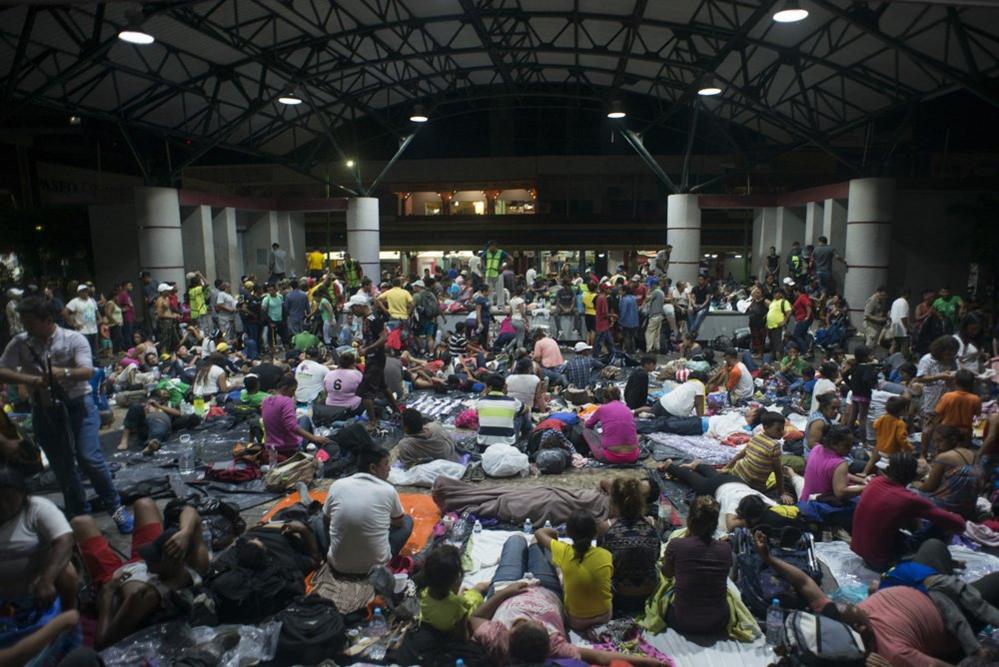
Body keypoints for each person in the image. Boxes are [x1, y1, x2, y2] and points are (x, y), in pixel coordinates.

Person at [0, 297, 131, 532]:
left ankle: (116, 508)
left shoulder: (73, 339)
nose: (25, 327)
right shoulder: (20, 343)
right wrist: (31, 380)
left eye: (29, 322)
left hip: (78, 406)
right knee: (62, 467)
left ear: (48, 320)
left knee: (89, 457)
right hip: (44, 409)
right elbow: (3, 370)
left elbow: (87, 370)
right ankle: (79, 517)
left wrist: (62, 373)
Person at [71, 497, 208, 649]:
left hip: (111, 578)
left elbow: (103, 642)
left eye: (152, 557)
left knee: (80, 523)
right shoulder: (194, 567)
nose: (146, 556)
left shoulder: (144, 596)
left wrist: (106, 597)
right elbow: (191, 511)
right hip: (142, 566)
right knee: (144, 504)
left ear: (170, 563)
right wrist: (185, 532)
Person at [851, 453, 966, 571]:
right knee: (942, 524)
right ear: (913, 476)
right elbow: (959, 524)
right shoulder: (908, 499)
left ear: (888, 469)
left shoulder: (875, 482)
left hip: (862, 553)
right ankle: (937, 560)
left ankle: (917, 554)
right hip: (883, 561)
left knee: (908, 515)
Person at [323, 447, 413, 575]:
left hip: (338, 565)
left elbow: (326, 520)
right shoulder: (388, 490)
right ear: (372, 468)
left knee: (321, 522)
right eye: (386, 464)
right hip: (376, 567)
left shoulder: (337, 485)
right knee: (408, 521)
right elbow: (399, 523)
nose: (389, 468)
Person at [0, 466, 76, 612]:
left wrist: (47, 580)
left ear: (22, 494)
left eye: (9, 499)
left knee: (67, 573)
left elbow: (65, 540)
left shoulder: (37, 507)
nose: (3, 506)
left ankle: (69, 617)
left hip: (37, 580)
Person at [662, 496, 732, 639]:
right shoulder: (725, 548)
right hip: (718, 623)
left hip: (682, 621)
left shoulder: (677, 544)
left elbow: (667, 574)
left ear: (690, 520)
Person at [533, 510, 612, 632]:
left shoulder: (563, 551)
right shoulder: (606, 555)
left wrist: (555, 533)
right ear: (595, 533)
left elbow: (539, 533)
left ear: (569, 533)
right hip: (604, 617)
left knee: (556, 562)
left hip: (576, 621)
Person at [596, 477, 658, 613]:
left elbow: (600, 561)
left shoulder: (605, 527)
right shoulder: (652, 523)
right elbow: (656, 556)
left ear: (613, 501)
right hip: (648, 595)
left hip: (618, 597)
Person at [350, 293, 399, 430]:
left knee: (365, 392)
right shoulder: (367, 320)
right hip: (374, 357)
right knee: (382, 385)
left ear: (360, 306)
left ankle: (373, 422)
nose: (352, 312)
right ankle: (396, 409)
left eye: (353, 308)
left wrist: (367, 349)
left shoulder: (373, 319)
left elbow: (383, 338)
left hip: (375, 358)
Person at [418, 544, 487, 640]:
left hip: (443, 618)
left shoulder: (423, 594)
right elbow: (464, 637)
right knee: (480, 587)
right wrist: (460, 598)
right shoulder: (458, 605)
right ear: (454, 581)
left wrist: (458, 594)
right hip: (466, 612)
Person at [913, 425, 982, 519]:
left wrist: (913, 482)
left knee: (909, 489)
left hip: (947, 508)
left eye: (939, 441)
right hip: (967, 510)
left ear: (953, 440)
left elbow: (929, 487)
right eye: (934, 442)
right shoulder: (973, 455)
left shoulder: (944, 457)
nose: (936, 445)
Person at [726, 410, 791, 501]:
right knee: (785, 478)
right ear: (765, 427)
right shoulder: (775, 445)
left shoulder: (756, 436)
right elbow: (778, 472)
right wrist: (782, 493)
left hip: (737, 473)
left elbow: (740, 455)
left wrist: (726, 468)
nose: (782, 432)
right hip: (753, 485)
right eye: (778, 429)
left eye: (782, 429)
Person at [261, 374, 331, 453]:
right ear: (285, 388)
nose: (293, 394)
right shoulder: (286, 401)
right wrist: (314, 438)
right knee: (305, 419)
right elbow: (291, 426)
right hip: (288, 447)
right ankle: (313, 445)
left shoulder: (265, 401)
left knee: (303, 419)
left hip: (271, 445)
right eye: (293, 391)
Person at [799, 424, 865, 503]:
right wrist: (867, 487)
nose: (850, 448)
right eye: (847, 445)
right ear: (834, 444)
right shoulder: (840, 464)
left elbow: (836, 474)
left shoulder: (816, 448)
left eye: (851, 444)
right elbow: (840, 493)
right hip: (821, 508)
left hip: (805, 501)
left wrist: (862, 480)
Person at [917, 335, 959, 458]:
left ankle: (938, 453)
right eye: (948, 351)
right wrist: (940, 376)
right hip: (932, 398)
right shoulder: (927, 359)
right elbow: (921, 378)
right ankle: (923, 454)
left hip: (947, 397)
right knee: (928, 426)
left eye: (953, 352)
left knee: (943, 428)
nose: (950, 354)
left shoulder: (952, 361)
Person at [583, 386, 639, 464]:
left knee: (586, 431)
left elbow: (588, 424)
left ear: (605, 399)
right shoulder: (627, 409)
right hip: (633, 456)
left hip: (611, 457)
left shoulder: (602, 409)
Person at [862, 395, 912, 475]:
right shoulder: (900, 423)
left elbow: (875, 425)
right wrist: (909, 448)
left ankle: (864, 472)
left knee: (872, 459)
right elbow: (901, 439)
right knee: (894, 467)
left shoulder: (883, 418)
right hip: (892, 451)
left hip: (880, 447)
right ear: (902, 410)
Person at [475, 373, 523, 446]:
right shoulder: (514, 401)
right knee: (521, 415)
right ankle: (526, 440)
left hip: (484, 444)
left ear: (489, 387)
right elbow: (526, 409)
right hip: (507, 444)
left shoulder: (479, 402)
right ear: (504, 387)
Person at [841, 344, 877, 436]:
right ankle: (864, 442)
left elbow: (844, 375)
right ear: (865, 357)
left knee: (853, 416)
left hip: (855, 394)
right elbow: (866, 379)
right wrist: (872, 384)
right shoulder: (868, 368)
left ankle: (848, 435)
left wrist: (851, 385)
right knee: (862, 419)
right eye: (870, 355)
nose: (873, 356)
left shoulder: (855, 366)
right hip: (864, 396)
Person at [934, 368, 981, 437]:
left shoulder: (947, 396)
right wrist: (978, 435)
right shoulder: (976, 399)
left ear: (955, 382)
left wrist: (937, 430)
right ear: (972, 383)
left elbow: (938, 414)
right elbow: (977, 418)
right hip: (966, 433)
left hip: (948, 432)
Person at [323, 352, 364, 416]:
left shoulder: (329, 374)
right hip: (351, 408)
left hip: (330, 406)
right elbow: (363, 391)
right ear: (353, 363)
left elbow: (326, 392)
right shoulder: (356, 374)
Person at [804, 391, 840, 460]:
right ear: (824, 407)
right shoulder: (819, 422)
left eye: (838, 408)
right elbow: (812, 444)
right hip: (815, 458)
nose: (836, 411)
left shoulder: (823, 417)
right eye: (833, 408)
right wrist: (833, 450)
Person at [765, 287, 791, 360]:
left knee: (778, 346)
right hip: (770, 326)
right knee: (772, 345)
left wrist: (784, 321)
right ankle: (774, 360)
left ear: (781, 294)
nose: (776, 294)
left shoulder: (784, 302)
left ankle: (780, 361)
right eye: (775, 293)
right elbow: (770, 312)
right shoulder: (773, 302)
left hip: (778, 327)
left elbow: (789, 312)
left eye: (778, 293)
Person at [482, 241, 509, 307]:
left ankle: (500, 305)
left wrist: (503, 267)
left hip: (498, 274)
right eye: (489, 246)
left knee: (500, 290)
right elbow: (482, 259)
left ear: (495, 246)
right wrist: (484, 267)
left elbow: (511, 259)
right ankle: (489, 305)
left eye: (491, 246)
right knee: (489, 290)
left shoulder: (501, 252)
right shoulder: (487, 252)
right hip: (488, 274)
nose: (490, 248)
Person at [593, 284, 616, 357]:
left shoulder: (600, 297)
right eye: (608, 289)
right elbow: (604, 313)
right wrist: (613, 315)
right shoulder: (603, 298)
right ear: (605, 290)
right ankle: (595, 357)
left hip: (603, 324)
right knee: (599, 343)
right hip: (602, 325)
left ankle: (613, 355)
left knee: (609, 342)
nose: (610, 290)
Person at [790, 283, 813, 353]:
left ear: (797, 291)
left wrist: (807, 316)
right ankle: (805, 350)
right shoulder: (802, 297)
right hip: (802, 318)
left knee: (796, 335)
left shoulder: (802, 297)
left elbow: (808, 306)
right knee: (802, 335)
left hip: (803, 319)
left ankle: (805, 351)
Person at [889, 287, 911, 354]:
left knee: (894, 347)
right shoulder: (904, 303)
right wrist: (908, 328)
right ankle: (902, 362)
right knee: (904, 349)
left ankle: (890, 360)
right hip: (903, 330)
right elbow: (903, 317)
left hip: (895, 328)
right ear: (907, 294)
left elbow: (891, 315)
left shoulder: (895, 302)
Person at [618, 285, 639, 354]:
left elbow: (623, 312)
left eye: (621, 290)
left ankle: (628, 352)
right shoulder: (633, 298)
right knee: (632, 337)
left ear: (624, 291)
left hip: (627, 322)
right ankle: (633, 351)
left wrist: (620, 321)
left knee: (626, 338)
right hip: (635, 321)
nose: (619, 292)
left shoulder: (624, 300)